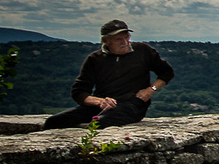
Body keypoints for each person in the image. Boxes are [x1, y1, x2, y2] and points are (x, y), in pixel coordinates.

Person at [41, 19, 175, 131]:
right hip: (102, 104)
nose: (125, 42)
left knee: (98, 124)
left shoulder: (142, 51)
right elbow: (79, 92)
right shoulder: (95, 59)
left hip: (132, 104)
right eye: (118, 39)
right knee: (53, 122)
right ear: (106, 41)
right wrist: (99, 101)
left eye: (126, 37)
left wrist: (150, 90)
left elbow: (166, 72)